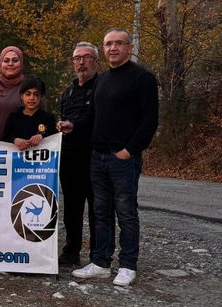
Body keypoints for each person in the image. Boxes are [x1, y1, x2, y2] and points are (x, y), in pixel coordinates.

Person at [72, 28, 159, 286]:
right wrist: (72, 125)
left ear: (129, 48)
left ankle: (128, 265)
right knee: (101, 212)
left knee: (126, 212)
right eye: (108, 43)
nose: (112, 48)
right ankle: (100, 262)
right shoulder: (103, 79)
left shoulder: (142, 78)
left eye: (118, 43)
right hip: (97, 157)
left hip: (123, 158)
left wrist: (130, 150)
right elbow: (93, 116)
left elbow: (149, 120)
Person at [55, 42, 99, 266]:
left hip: (94, 157)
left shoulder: (102, 87)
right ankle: (71, 251)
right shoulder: (68, 91)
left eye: (86, 57)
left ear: (95, 61)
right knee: (72, 208)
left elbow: (99, 118)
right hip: (70, 159)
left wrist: (76, 125)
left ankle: (98, 255)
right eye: (77, 58)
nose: (81, 62)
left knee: (96, 208)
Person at [3, 75, 57, 150]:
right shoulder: (14, 116)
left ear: (41, 97)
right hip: (17, 159)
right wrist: (15, 140)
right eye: (28, 94)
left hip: (40, 160)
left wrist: (42, 137)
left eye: (36, 94)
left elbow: (55, 138)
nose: (32, 98)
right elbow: (5, 137)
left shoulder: (48, 118)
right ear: (22, 96)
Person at [0, 46, 25, 141]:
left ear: (21, 63)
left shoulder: (30, 88)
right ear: (0, 64)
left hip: (21, 149)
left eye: (15, 60)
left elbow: (42, 118)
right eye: (6, 61)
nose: (10, 64)